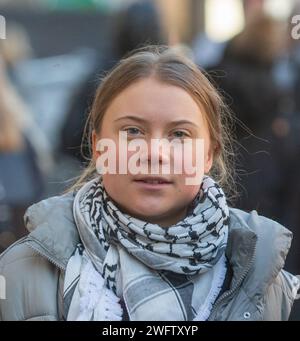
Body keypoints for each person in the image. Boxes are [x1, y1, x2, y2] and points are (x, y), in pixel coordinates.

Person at [0, 46, 299, 321]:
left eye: (179, 135)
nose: (155, 153)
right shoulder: (19, 273)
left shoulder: (270, 284)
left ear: (210, 154)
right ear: (98, 147)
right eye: (132, 131)